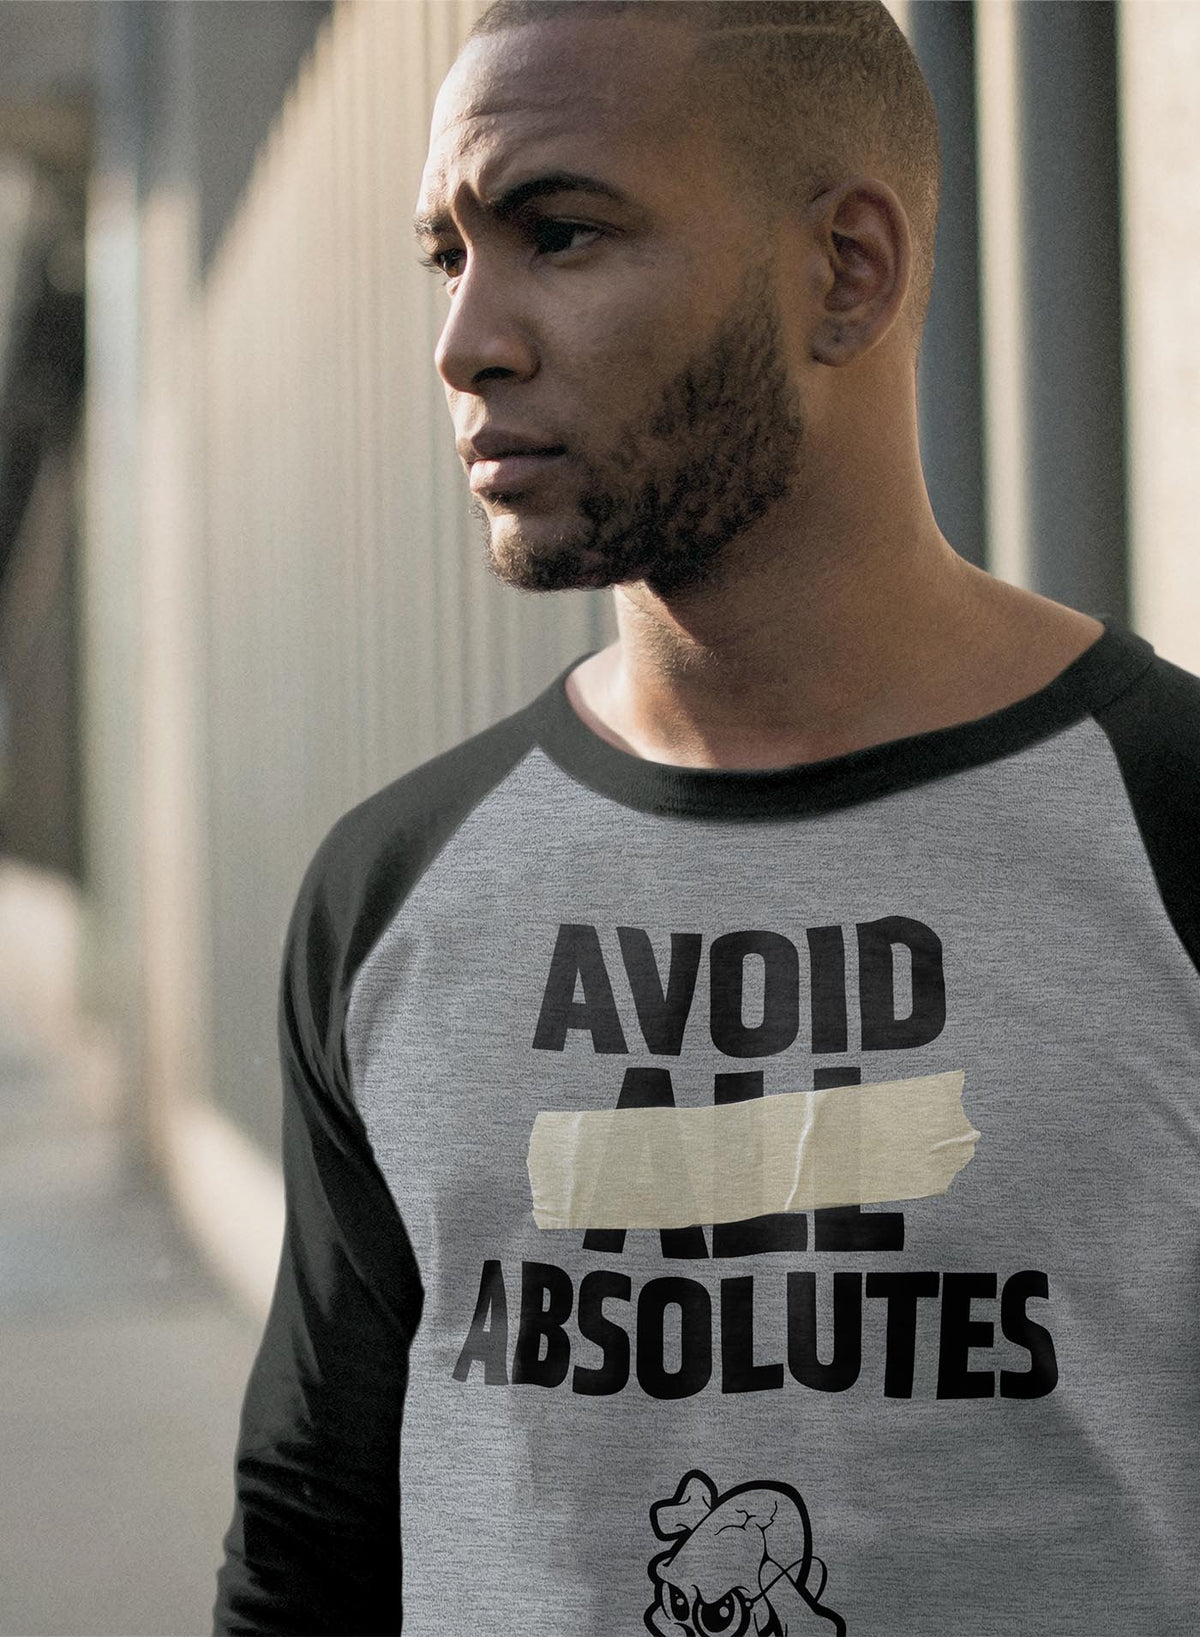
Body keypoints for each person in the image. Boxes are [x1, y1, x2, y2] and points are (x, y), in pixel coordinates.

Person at [213, 3, 1200, 1633]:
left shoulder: (1169, 829)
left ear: (847, 270)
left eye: (561, 232)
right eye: (446, 255)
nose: (468, 341)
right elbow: (315, 1534)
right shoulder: (394, 895)